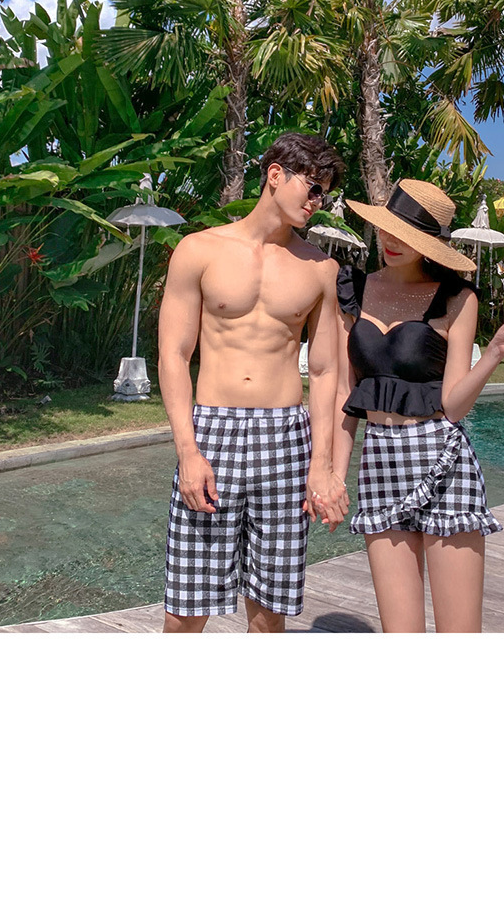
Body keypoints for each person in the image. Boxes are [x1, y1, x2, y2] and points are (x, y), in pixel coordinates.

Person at [332, 178, 504, 633]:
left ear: (430, 244)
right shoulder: (354, 289)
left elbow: (453, 406)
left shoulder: (457, 298)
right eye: (388, 228)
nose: (392, 241)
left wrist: (493, 352)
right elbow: (343, 391)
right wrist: (335, 476)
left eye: (408, 235)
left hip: (443, 459)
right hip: (379, 463)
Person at [158, 133, 349, 634]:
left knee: (268, 611)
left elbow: (325, 372)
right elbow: (174, 355)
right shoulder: (199, 250)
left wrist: (323, 464)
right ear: (275, 174)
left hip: (285, 437)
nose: (318, 201)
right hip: (213, 432)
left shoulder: (321, 268)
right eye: (312, 187)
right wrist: (187, 451)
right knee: (185, 608)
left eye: (325, 193)